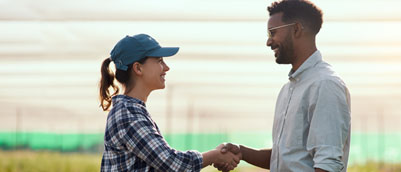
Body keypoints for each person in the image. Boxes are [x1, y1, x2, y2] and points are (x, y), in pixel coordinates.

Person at [215, 0, 351, 172]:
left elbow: (327, 164)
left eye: (273, 33)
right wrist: (241, 152)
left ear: (296, 29)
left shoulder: (324, 85)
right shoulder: (289, 89)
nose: (268, 42)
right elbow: (284, 158)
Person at [99, 34, 240, 171]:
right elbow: (171, 163)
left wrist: (215, 156)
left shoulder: (133, 111)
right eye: (159, 61)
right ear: (138, 68)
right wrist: (214, 156)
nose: (166, 67)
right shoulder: (128, 114)